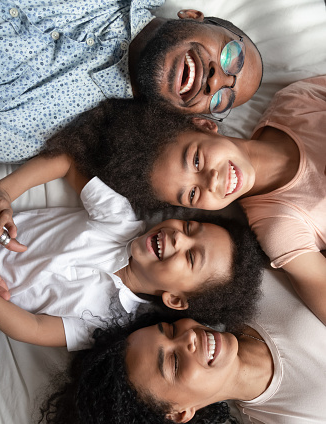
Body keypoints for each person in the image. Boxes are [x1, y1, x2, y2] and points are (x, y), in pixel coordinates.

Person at [30, 268, 326, 424]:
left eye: (170, 329)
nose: (188, 337)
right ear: (180, 411)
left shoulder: (244, 284)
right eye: (172, 362)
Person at [59, 77, 324, 325]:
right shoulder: (280, 228)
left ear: (205, 125)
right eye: (193, 194)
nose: (210, 181)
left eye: (196, 160)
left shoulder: (297, 103)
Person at [0, 159, 263, 349]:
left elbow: (32, 328)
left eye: (191, 257)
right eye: (190, 227)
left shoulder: (109, 323)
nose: (179, 237)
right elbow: (68, 164)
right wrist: (4, 191)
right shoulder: (119, 219)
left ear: (176, 298)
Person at [0, 3, 263, 162]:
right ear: (192, 16)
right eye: (232, 55)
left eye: (222, 99)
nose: (216, 81)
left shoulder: (27, 135)